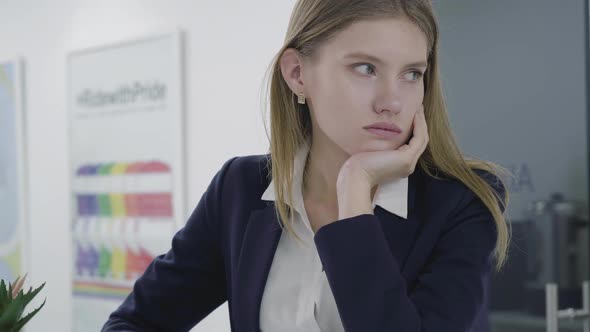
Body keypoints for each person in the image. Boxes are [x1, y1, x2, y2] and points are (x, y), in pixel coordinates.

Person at [102, 0, 510, 331]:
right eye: (365, 68)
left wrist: (355, 192)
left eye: (411, 73)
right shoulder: (239, 190)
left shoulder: (462, 203)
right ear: (297, 74)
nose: (392, 100)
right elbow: (133, 323)